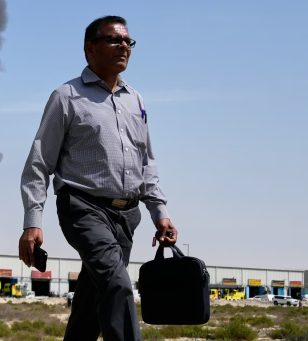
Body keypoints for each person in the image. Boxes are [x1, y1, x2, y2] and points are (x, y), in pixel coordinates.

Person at [18, 15, 179, 341]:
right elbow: (39, 162)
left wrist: (159, 213)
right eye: (114, 40)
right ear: (90, 49)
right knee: (118, 285)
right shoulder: (67, 97)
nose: (124, 47)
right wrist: (32, 221)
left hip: (126, 216)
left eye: (128, 41)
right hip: (83, 207)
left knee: (92, 304)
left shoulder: (136, 100)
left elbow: (146, 162)